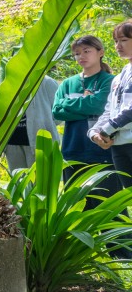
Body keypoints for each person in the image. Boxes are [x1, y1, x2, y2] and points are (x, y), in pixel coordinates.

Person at [52, 35, 114, 204]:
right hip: (73, 151)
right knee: (77, 206)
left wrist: (69, 104)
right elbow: (57, 111)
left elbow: (100, 105)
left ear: (100, 52)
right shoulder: (67, 83)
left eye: (87, 51)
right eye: (77, 53)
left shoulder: (109, 81)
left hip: (101, 151)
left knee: (108, 206)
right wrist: (87, 106)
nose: (81, 56)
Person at [89, 21, 132, 259]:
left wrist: (107, 129)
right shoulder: (120, 75)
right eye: (116, 41)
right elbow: (110, 109)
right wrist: (95, 132)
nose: (118, 46)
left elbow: (130, 111)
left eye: (123, 40)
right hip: (120, 146)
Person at [4, 76, 60, 172]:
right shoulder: (8, 81)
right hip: (12, 143)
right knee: (18, 182)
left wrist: (43, 123)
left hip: (39, 143)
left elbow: (58, 114)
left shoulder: (46, 82)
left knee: (40, 183)